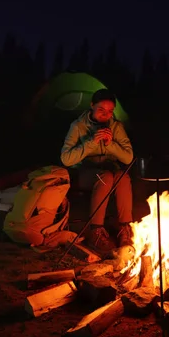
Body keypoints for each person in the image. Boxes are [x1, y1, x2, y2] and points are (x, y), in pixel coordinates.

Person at [60, 89, 134, 255]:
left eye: (110, 111)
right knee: (105, 177)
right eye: (101, 110)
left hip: (109, 168)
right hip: (85, 172)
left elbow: (128, 157)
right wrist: (91, 142)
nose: (106, 115)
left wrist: (111, 145)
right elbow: (66, 158)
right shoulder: (78, 126)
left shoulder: (115, 126)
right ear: (92, 106)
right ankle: (95, 230)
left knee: (122, 176)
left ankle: (124, 228)